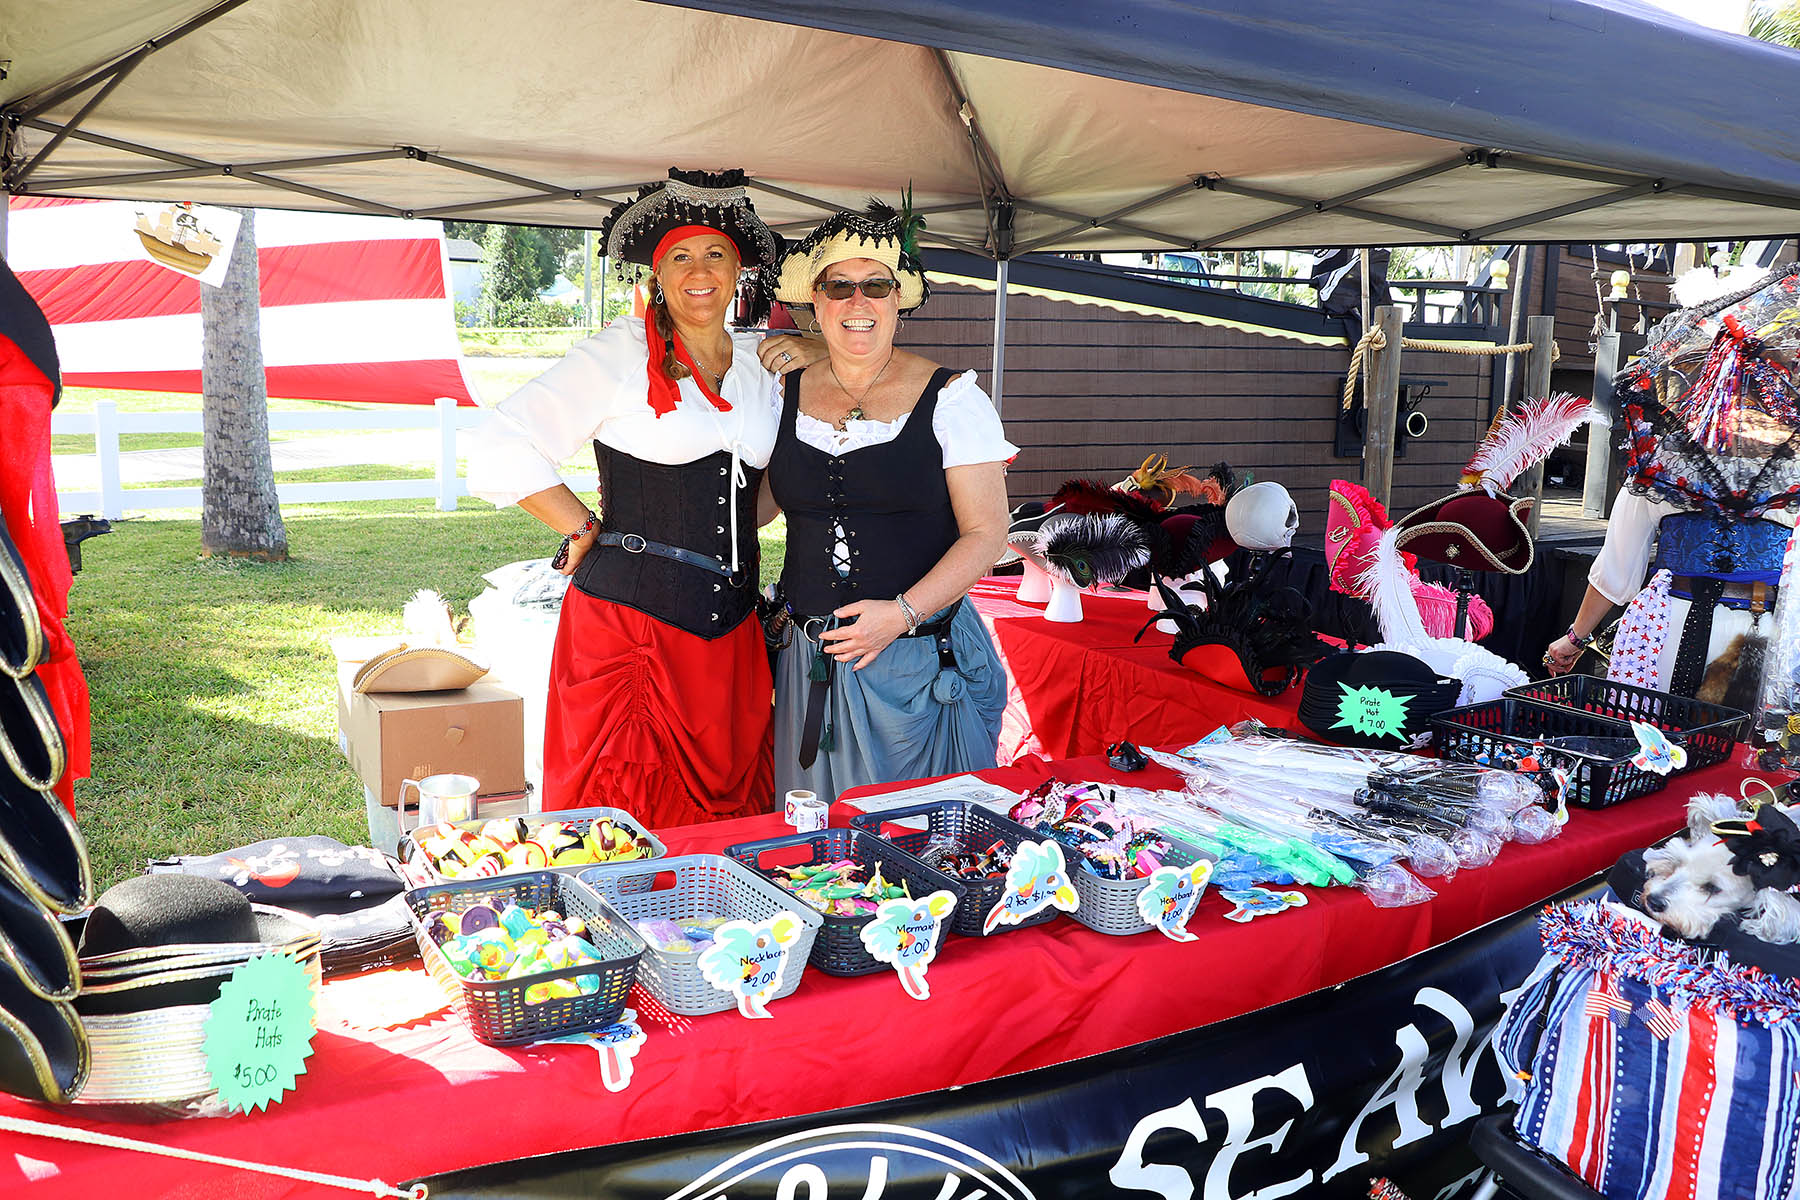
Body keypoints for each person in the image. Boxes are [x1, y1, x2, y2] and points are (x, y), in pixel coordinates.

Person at [467, 168, 818, 826]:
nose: (700, 271)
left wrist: (813, 352)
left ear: (738, 269)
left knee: (731, 828)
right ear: (656, 272)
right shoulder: (620, 354)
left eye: (715, 254)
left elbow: (759, 499)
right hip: (633, 636)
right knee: (624, 826)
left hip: (733, 639)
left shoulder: (759, 361)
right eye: (680, 256)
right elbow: (499, 441)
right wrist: (580, 526)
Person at [760, 199, 1015, 802]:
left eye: (876, 285)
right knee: (814, 839)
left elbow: (988, 534)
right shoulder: (781, 393)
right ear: (815, 300)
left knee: (916, 838)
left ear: (898, 300)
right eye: (839, 286)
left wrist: (901, 614)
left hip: (915, 666)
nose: (859, 301)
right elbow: (761, 509)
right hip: (807, 661)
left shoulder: (952, 398)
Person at [1545, 485, 1790, 705]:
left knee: (1659, 731)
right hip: (1763, 627)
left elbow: (1616, 569)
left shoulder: (1658, 471)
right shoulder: (1790, 476)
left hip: (1668, 627)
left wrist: (1576, 638)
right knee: (1750, 736)